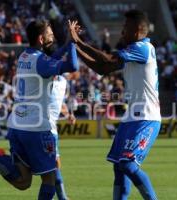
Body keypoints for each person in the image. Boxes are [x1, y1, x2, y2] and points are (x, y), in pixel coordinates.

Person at [0, 19, 79, 200]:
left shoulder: (24, 57)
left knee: (23, 181)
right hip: (37, 129)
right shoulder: (41, 61)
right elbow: (72, 66)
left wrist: (67, 43)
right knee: (50, 179)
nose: (53, 36)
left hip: (17, 126)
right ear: (41, 39)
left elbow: (52, 58)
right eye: (50, 34)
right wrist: (73, 44)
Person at [68, 9, 161, 200]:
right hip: (131, 118)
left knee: (128, 164)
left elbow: (107, 59)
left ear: (136, 30)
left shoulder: (143, 48)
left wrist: (79, 41)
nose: (122, 32)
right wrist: (75, 47)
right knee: (119, 166)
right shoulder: (131, 53)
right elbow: (102, 68)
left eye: (125, 28)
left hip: (146, 117)